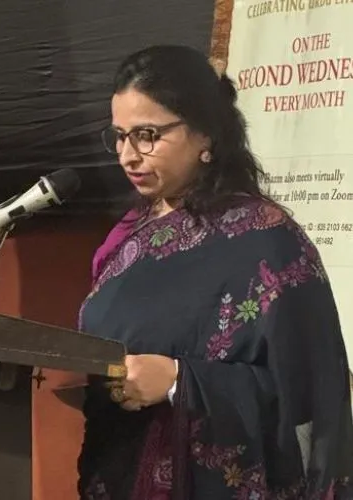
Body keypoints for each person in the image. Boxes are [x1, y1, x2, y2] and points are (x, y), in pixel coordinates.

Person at [76, 45, 353, 499]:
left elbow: (309, 395)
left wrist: (179, 382)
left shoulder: (267, 242)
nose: (127, 156)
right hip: (116, 471)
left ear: (205, 133)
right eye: (120, 136)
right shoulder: (130, 233)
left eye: (147, 135)